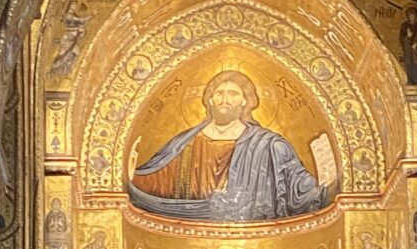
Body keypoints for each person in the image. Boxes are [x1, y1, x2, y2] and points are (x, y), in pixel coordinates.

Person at [130, 70, 330, 222]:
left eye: (233, 93)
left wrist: (327, 183)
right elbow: (155, 181)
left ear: (246, 101)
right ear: (209, 100)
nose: (225, 99)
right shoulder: (186, 142)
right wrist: (131, 173)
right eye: (219, 93)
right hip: (191, 229)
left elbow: (302, 192)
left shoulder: (270, 145)